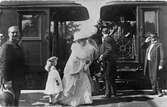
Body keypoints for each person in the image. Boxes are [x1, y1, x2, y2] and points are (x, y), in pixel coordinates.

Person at [55, 27, 98, 106]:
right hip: (73, 68)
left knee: (84, 83)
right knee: (71, 84)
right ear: (78, 41)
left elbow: (89, 57)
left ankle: (84, 99)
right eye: (82, 40)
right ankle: (70, 100)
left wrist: (87, 63)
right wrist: (86, 62)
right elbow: (82, 57)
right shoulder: (75, 47)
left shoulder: (86, 47)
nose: (84, 41)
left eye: (84, 39)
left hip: (81, 68)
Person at [0, 26, 27, 106]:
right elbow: (4, 65)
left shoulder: (17, 46)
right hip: (10, 82)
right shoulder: (7, 46)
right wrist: (7, 81)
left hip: (17, 81)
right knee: (8, 103)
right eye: (13, 32)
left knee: (15, 102)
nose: (15, 34)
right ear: (9, 34)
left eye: (17, 32)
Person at [99, 22, 118, 98]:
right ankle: (114, 92)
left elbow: (109, 49)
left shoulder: (106, 39)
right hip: (112, 60)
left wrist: (102, 56)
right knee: (111, 77)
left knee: (107, 77)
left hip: (108, 61)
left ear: (102, 33)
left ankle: (108, 93)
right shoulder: (111, 38)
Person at [142, 33, 164, 97]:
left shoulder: (159, 45)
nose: (153, 39)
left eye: (154, 38)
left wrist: (161, 64)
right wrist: (145, 42)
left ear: (156, 38)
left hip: (155, 63)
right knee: (151, 76)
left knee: (156, 77)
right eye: (151, 38)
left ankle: (159, 91)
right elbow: (142, 47)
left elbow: (162, 56)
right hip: (149, 62)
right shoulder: (149, 45)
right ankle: (154, 90)